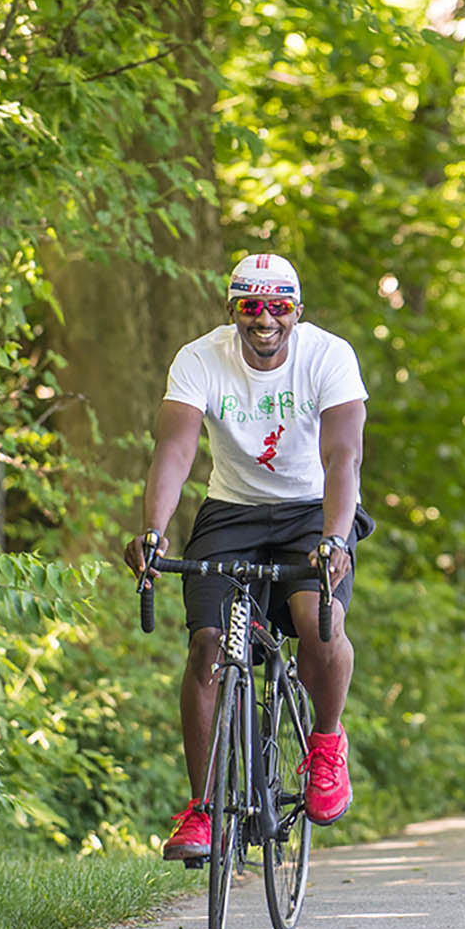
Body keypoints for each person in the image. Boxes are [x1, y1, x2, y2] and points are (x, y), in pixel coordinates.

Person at [123, 253, 370, 860]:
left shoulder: (328, 356)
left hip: (311, 510)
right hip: (231, 511)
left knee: (321, 624)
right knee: (207, 644)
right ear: (232, 310)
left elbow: (345, 458)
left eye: (278, 307)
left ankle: (326, 743)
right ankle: (202, 809)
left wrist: (335, 539)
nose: (264, 320)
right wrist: (153, 532)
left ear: (296, 312)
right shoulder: (200, 358)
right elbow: (175, 450)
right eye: (250, 307)